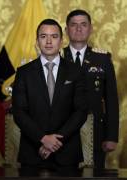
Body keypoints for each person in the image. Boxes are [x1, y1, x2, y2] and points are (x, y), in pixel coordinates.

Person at [12, 19, 87, 169]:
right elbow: (19, 112)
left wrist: (55, 141)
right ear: (37, 41)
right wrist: (42, 138)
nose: (48, 41)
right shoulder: (24, 73)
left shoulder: (76, 71)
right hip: (33, 152)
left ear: (61, 41)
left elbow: (80, 111)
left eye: (54, 36)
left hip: (67, 153)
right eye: (43, 36)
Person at [64, 9, 119, 168]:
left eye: (83, 24)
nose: (79, 29)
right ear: (66, 30)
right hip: (63, 132)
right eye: (73, 25)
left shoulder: (102, 59)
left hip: (96, 133)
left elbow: (111, 99)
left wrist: (111, 136)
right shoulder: (57, 56)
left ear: (90, 29)